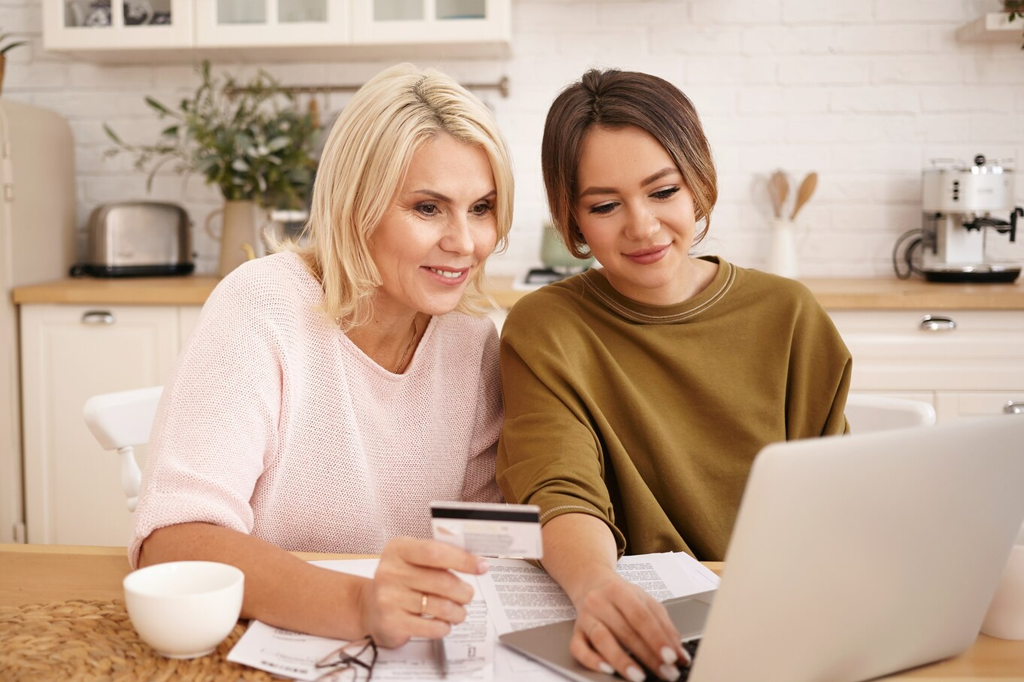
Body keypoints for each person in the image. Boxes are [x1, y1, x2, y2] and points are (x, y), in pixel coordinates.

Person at [130, 63, 514, 648]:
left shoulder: (470, 340)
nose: (465, 243)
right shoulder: (262, 305)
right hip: (268, 640)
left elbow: (480, 541)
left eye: (481, 208)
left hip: (409, 647)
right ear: (356, 205)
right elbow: (174, 540)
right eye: (428, 208)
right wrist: (359, 605)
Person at [496, 69, 851, 682]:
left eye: (663, 192)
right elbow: (557, 486)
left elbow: (839, 500)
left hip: (785, 622)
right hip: (649, 633)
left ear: (698, 184)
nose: (642, 226)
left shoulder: (790, 315)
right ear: (572, 220)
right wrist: (595, 586)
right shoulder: (546, 327)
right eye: (605, 206)